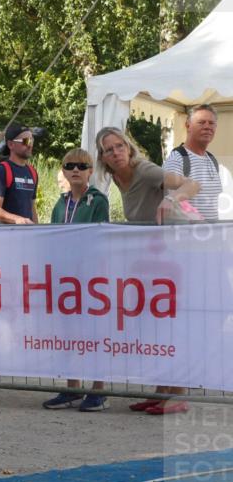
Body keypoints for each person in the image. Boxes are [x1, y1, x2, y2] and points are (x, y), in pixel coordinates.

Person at [96, 126, 200, 415]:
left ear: (129, 148)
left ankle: (178, 395)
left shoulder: (146, 170)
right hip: (155, 258)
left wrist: (171, 199)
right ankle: (162, 391)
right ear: (103, 157)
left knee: (170, 325)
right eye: (108, 149)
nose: (115, 152)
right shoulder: (118, 178)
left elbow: (191, 185)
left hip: (179, 254)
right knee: (155, 324)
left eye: (119, 146)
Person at [41, 148, 110, 412]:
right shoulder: (61, 203)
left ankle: (98, 390)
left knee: (94, 335)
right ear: (63, 170)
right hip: (64, 278)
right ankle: (71, 388)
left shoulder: (98, 200)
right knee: (68, 335)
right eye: (70, 165)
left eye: (82, 166)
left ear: (91, 171)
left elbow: (98, 239)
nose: (76, 170)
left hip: (90, 279)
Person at [162, 104, 222, 221]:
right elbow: (171, 206)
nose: (207, 127)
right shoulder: (177, 159)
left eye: (211, 123)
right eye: (201, 122)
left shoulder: (212, 159)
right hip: (189, 236)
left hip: (212, 235)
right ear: (188, 125)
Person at [0, 123, 38, 224]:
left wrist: (37, 230)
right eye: (26, 141)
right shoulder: (1, 170)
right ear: (11, 144)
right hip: (6, 236)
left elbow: (32, 207)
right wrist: (17, 219)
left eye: (32, 140)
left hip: (26, 235)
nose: (30, 144)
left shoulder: (32, 172)